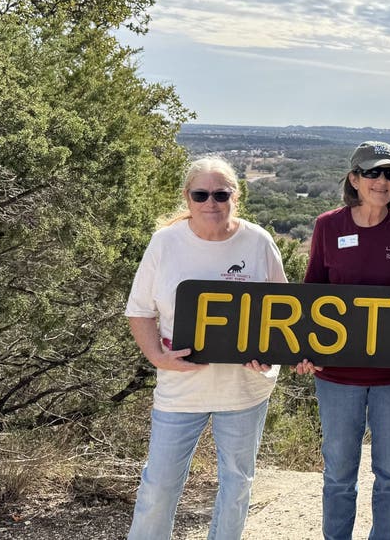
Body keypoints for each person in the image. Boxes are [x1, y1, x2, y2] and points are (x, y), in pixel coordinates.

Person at [124, 157, 287, 540]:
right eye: (201, 194)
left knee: (237, 486)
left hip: (243, 389)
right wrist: (157, 358)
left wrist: (269, 353)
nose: (210, 202)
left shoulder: (258, 241)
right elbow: (139, 311)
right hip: (180, 389)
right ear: (188, 197)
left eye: (220, 194)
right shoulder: (165, 243)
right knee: (159, 486)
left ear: (235, 196)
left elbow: (284, 312)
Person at [295, 140, 390, 540]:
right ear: (354, 179)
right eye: (372, 173)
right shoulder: (329, 226)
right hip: (338, 379)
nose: (382, 181)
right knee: (339, 473)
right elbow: (312, 295)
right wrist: (305, 352)